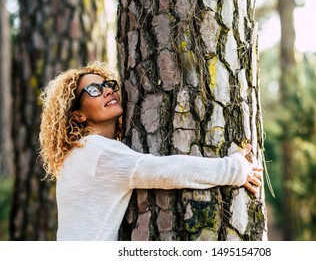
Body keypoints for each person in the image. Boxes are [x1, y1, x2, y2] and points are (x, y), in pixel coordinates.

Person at [39, 61, 262, 241]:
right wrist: (234, 169)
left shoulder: (81, 152)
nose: (107, 91)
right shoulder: (98, 152)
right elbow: (164, 170)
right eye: (94, 90)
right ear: (78, 115)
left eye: (108, 85)